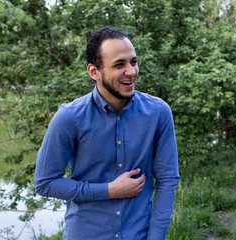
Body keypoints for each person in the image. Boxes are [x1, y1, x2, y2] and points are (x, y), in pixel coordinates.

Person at [34, 26, 180, 240]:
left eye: (134, 62)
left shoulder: (158, 113)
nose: (131, 71)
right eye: (119, 65)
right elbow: (45, 183)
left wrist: (156, 237)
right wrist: (109, 190)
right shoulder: (69, 117)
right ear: (94, 71)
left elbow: (167, 180)